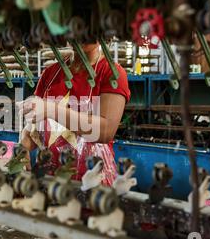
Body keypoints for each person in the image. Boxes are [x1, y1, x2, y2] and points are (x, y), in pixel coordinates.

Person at [19, 42, 131, 186]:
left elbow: (105, 131)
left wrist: (52, 110)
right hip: (48, 180)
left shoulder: (111, 73)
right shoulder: (51, 73)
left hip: (92, 183)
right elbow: (31, 131)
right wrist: (22, 148)